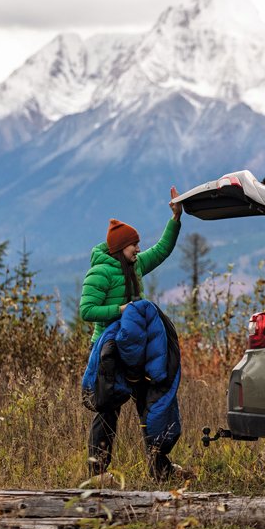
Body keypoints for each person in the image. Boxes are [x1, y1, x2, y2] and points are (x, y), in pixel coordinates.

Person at [79, 188, 183, 486]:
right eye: (133, 245)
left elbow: (162, 250)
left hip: (137, 350)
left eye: (137, 244)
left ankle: (160, 469)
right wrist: (120, 309)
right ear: (120, 248)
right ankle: (97, 474)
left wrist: (175, 219)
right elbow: (87, 310)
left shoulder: (135, 266)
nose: (138, 249)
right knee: (107, 411)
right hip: (110, 352)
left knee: (149, 406)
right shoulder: (101, 272)